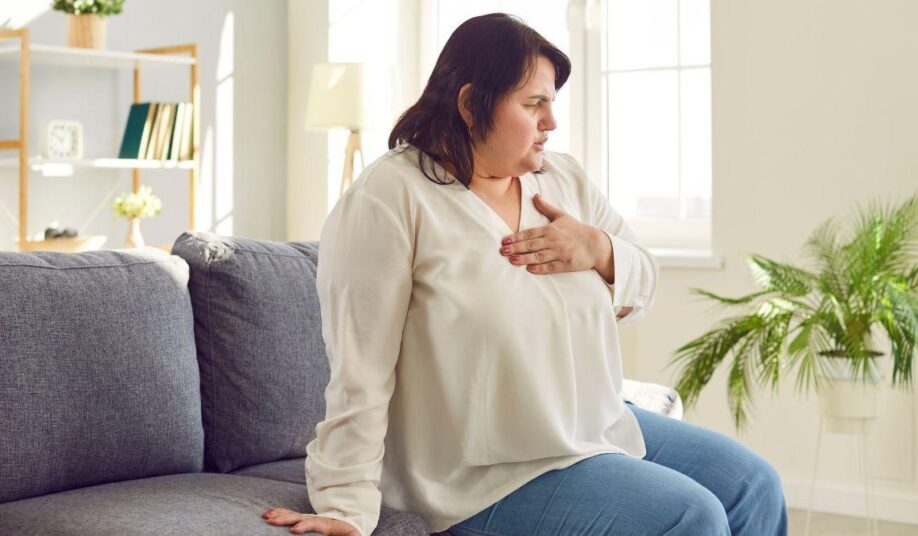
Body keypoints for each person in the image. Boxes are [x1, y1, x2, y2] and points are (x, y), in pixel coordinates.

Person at [262, 12, 787, 536]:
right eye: (534, 104)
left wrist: (599, 248)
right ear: (471, 104)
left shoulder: (562, 179)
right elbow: (359, 372)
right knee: (690, 515)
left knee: (753, 485)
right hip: (478, 472)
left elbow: (643, 281)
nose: (550, 122)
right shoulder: (390, 198)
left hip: (585, 426)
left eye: (551, 103)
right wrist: (345, 507)